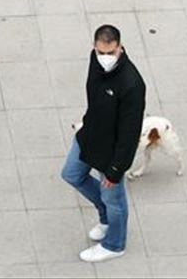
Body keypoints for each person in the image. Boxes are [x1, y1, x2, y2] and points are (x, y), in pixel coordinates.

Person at [60, 23, 147, 263]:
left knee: (114, 198)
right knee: (71, 174)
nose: (105, 58)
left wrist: (116, 169)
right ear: (94, 48)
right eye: (101, 52)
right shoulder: (94, 60)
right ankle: (106, 217)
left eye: (110, 53)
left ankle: (114, 244)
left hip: (113, 151)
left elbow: (130, 134)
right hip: (91, 135)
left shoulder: (132, 84)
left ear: (120, 47)